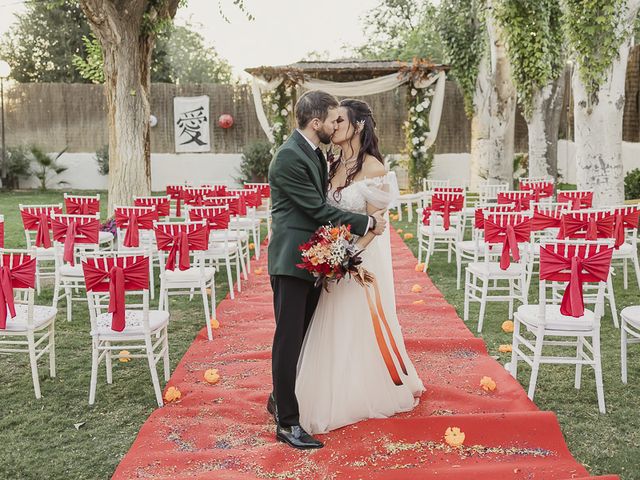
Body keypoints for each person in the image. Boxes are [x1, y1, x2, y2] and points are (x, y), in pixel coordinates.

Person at [295, 98, 425, 435]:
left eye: (339, 121)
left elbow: (377, 223)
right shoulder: (331, 162)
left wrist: (345, 258)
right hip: (331, 259)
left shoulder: (374, 168)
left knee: (356, 326)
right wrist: (326, 254)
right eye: (332, 121)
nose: (332, 126)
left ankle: (359, 391)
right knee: (330, 324)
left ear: (358, 125)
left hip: (357, 261)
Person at [267, 91, 387, 449]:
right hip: (291, 260)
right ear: (316, 122)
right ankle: (288, 422)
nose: (338, 125)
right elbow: (317, 210)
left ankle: (279, 398)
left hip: (313, 258)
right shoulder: (289, 157)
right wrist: (366, 222)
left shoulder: (315, 152)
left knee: (303, 336)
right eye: (334, 119)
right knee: (289, 340)